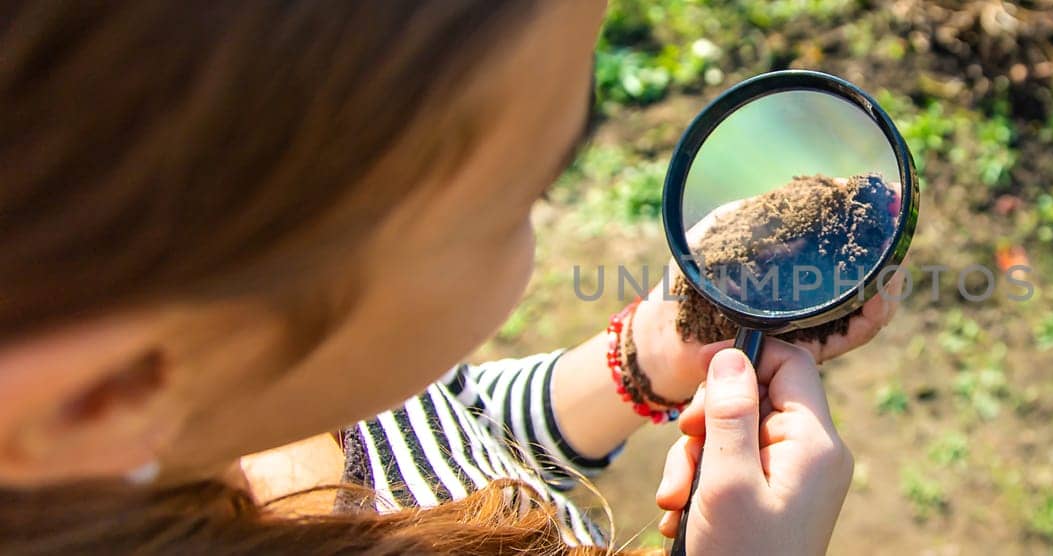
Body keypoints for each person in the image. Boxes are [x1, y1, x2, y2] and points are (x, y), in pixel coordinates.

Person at [0, 1, 898, 554]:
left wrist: (652, 356)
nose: (538, 234)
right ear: (113, 390)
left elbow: (441, 429)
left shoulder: (230, 401)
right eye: (520, 199)